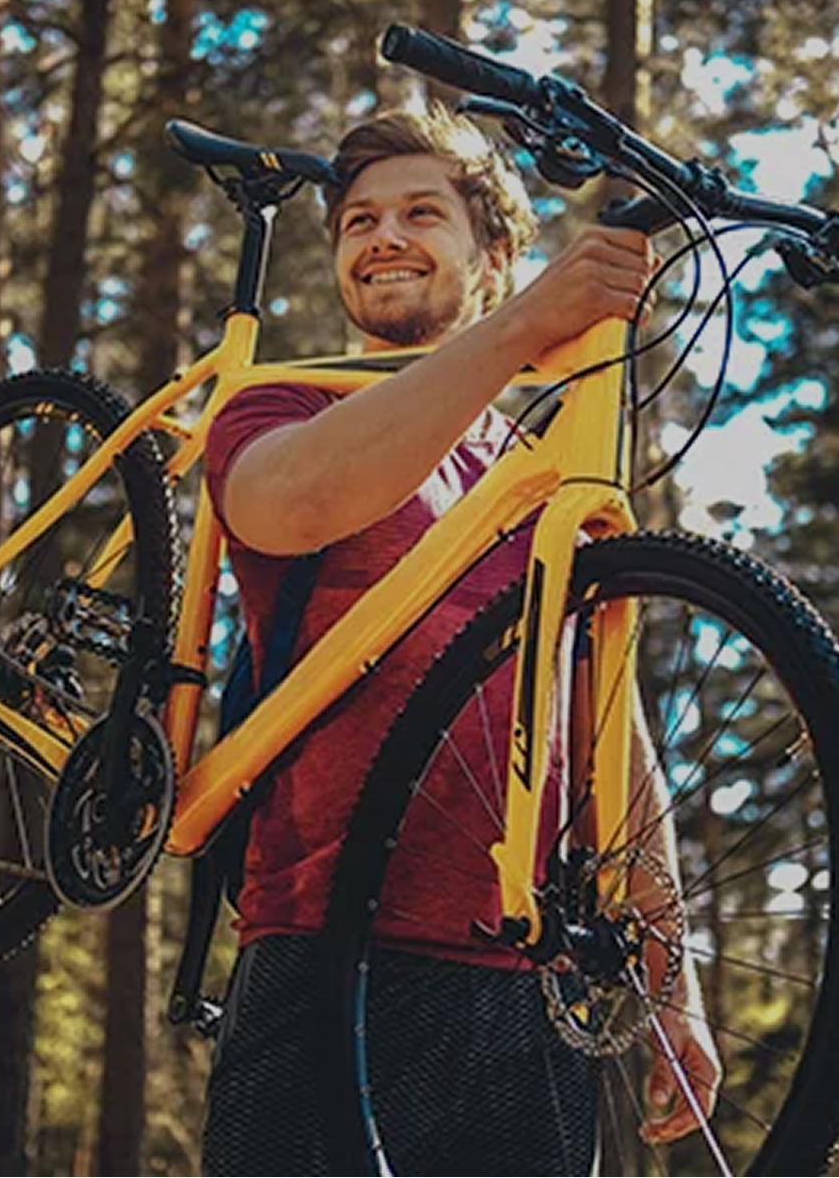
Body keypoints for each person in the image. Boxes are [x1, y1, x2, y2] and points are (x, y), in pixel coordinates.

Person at [201, 103, 721, 1176]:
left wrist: (674, 980)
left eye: (421, 213)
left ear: (493, 258)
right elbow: (287, 501)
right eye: (358, 221)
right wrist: (524, 328)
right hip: (322, 956)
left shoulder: (548, 485)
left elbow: (610, 738)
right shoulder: (285, 404)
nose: (382, 237)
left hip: (534, 985)